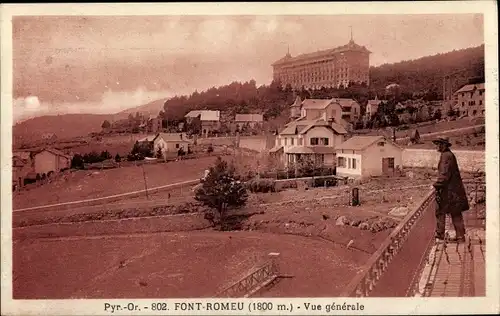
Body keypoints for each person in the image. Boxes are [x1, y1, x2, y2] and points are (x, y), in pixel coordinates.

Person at [432, 137, 469, 243]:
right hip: (454, 190)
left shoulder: (446, 156)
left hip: (449, 192)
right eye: (437, 144)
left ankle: (440, 236)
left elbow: (444, 175)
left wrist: (436, 185)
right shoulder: (449, 155)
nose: (437, 146)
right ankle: (460, 237)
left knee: (440, 211)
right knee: (456, 213)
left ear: (444, 145)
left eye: (439, 144)